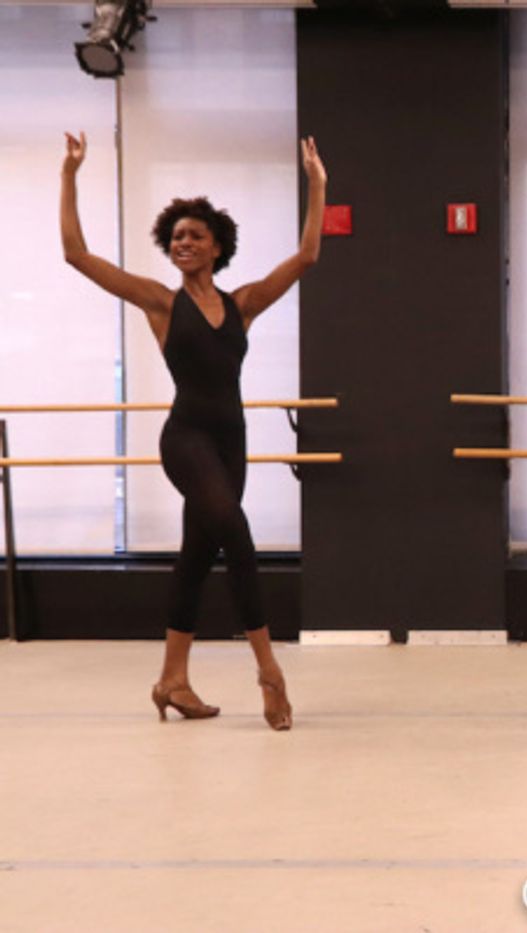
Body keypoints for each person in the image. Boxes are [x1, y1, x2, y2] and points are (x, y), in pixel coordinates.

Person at [61, 131, 326, 731]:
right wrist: (70, 175)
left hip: (232, 445)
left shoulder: (244, 304)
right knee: (235, 531)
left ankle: (173, 679)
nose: (182, 242)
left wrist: (319, 185)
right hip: (185, 440)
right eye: (176, 236)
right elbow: (77, 255)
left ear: (215, 247)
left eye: (194, 236)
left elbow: (308, 256)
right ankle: (269, 671)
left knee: (197, 555)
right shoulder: (159, 303)